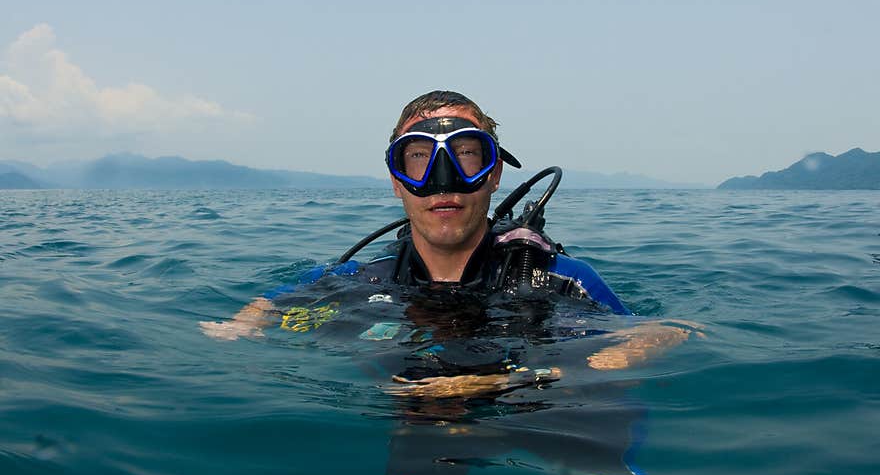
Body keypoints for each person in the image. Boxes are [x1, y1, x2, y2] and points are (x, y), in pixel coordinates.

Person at [200, 90, 701, 381]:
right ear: (397, 182)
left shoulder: (560, 279)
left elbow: (672, 331)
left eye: (466, 155)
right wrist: (245, 323)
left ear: (495, 174)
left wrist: (595, 363)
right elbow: (272, 304)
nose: (443, 182)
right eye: (418, 159)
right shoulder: (360, 278)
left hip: (539, 409)